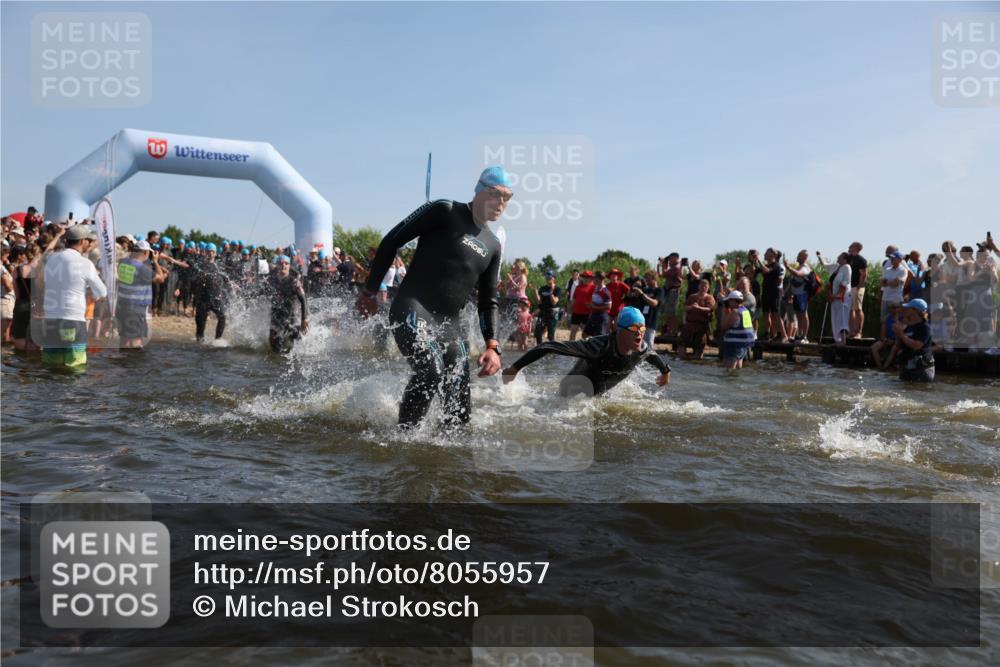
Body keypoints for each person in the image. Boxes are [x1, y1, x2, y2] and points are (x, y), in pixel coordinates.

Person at [355, 166, 506, 428]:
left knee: (459, 405)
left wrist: (493, 346)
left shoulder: (493, 245)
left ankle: (450, 457)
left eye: (508, 197)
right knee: (430, 371)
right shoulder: (445, 210)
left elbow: (488, 301)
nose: (501, 202)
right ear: (480, 191)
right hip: (414, 308)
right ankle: (404, 440)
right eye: (496, 194)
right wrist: (369, 291)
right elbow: (392, 240)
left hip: (450, 326)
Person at [501, 306, 671, 397]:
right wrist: (514, 369)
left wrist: (665, 372)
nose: (640, 334)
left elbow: (653, 357)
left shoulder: (641, 350)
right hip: (570, 397)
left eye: (642, 328)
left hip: (596, 397)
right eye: (634, 328)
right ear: (618, 330)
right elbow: (548, 346)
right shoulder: (597, 347)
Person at [40, 224, 107, 367]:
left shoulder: (51, 260)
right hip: (72, 319)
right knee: (75, 365)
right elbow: (102, 291)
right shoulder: (85, 263)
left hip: (51, 318)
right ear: (82, 241)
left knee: (51, 365)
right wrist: (91, 294)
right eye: (88, 240)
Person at [116, 240, 167, 349]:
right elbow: (160, 279)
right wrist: (156, 261)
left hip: (121, 306)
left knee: (124, 338)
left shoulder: (123, 262)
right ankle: (135, 364)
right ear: (145, 252)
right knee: (136, 340)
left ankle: (121, 364)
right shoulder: (141, 269)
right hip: (135, 309)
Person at [191, 243, 233, 343]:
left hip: (216, 298)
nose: (210, 253)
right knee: (201, 323)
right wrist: (200, 277)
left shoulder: (219, 266)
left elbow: (226, 278)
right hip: (203, 298)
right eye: (208, 252)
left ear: (215, 253)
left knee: (222, 317)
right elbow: (193, 279)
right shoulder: (200, 266)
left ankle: (218, 340)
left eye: (212, 252)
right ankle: (199, 341)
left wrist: (232, 285)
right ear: (205, 252)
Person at [267, 254, 309, 354]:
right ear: (277, 265)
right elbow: (260, 293)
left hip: (290, 317)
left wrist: (304, 319)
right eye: (281, 263)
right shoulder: (271, 281)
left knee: (291, 346)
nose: (284, 266)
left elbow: (303, 300)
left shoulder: (294, 282)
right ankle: (276, 367)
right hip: (275, 317)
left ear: (289, 266)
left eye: (286, 264)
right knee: (274, 347)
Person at [892, 298, 935, 382]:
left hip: (921, 370)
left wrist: (901, 335)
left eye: (908, 308)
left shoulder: (925, 327)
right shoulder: (908, 326)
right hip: (907, 368)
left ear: (915, 311)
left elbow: (917, 346)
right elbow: (898, 345)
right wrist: (898, 335)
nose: (905, 310)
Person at [624, 269, 663, 348]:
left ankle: (650, 359)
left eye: (648, 278)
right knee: (639, 342)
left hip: (652, 322)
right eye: (646, 279)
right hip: (642, 322)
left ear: (654, 279)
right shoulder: (645, 290)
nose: (646, 281)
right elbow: (629, 296)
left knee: (649, 343)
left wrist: (642, 294)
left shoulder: (659, 290)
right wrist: (634, 286)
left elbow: (655, 303)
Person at [718, 290, 756, 369]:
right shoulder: (745, 310)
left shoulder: (735, 312)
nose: (728, 303)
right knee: (738, 369)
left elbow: (723, 326)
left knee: (729, 371)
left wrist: (723, 312)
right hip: (743, 345)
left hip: (734, 345)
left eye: (729, 301)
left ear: (733, 301)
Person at [678, 279, 715, 360]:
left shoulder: (709, 298)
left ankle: (695, 360)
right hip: (690, 324)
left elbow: (710, 309)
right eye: (702, 286)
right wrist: (691, 307)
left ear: (708, 288)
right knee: (682, 344)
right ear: (699, 286)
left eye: (705, 286)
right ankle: (683, 360)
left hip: (701, 325)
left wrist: (699, 308)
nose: (703, 288)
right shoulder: (692, 297)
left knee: (699, 347)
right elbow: (685, 308)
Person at [783, 250, 813, 342]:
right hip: (796, 295)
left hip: (802, 295)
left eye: (799, 255)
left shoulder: (805, 267)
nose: (797, 256)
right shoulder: (799, 266)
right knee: (799, 315)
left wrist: (788, 267)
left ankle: (804, 336)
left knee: (804, 315)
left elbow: (797, 273)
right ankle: (800, 335)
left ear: (804, 257)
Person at [828, 252, 853, 344]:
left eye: (840, 256)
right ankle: (837, 340)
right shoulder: (837, 268)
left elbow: (845, 282)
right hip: (834, 297)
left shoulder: (847, 267)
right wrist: (830, 295)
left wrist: (837, 295)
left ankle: (843, 340)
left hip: (843, 297)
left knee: (842, 318)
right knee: (835, 318)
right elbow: (830, 282)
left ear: (845, 259)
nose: (838, 257)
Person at [880, 251, 907, 333]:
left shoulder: (903, 270)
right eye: (891, 258)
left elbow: (896, 284)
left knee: (896, 319)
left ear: (899, 259)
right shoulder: (887, 270)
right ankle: (883, 337)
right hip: (885, 298)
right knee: (883, 320)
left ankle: (896, 339)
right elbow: (882, 283)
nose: (891, 259)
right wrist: (890, 282)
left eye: (893, 258)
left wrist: (887, 282)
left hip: (896, 299)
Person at [847, 241, 868, 338]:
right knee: (850, 310)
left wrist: (859, 286)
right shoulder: (848, 258)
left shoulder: (861, 260)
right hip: (849, 287)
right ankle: (851, 331)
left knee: (858, 309)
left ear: (856, 247)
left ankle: (858, 332)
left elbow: (864, 275)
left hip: (858, 287)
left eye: (851, 246)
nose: (849, 247)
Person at [534, 270, 561, 344]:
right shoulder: (542, 288)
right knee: (537, 332)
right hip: (543, 312)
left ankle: (552, 352)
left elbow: (554, 302)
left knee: (550, 336)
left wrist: (551, 292)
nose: (548, 278)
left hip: (552, 313)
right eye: (547, 277)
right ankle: (539, 348)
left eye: (550, 277)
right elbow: (539, 302)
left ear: (554, 278)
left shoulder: (557, 289)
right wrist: (535, 291)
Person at [871, 303, 900, 370]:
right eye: (892, 308)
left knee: (894, 349)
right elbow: (882, 334)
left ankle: (885, 367)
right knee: (874, 347)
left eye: (896, 307)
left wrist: (896, 319)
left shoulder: (903, 318)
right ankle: (880, 366)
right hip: (888, 339)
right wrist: (885, 340)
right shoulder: (887, 318)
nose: (894, 309)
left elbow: (902, 333)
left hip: (898, 341)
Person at [659, 253, 682, 335]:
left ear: (676, 258)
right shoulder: (673, 267)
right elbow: (662, 275)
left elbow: (664, 274)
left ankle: (674, 331)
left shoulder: (676, 267)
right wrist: (662, 265)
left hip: (673, 291)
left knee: (672, 312)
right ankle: (670, 330)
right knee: (669, 312)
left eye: (671, 258)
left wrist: (663, 264)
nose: (669, 260)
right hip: (669, 291)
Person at [583, 271, 612, 338]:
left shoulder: (605, 291)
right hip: (593, 315)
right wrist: (590, 306)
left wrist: (594, 307)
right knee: (585, 334)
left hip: (602, 317)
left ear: (600, 279)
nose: (592, 279)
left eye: (594, 277)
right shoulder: (595, 288)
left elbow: (609, 306)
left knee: (599, 337)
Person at [568, 270, 594, 341]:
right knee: (573, 330)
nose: (585, 278)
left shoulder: (593, 287)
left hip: (587, 313)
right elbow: (574, 298)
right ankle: (571, 346)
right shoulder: (578, 287)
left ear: (591, 278)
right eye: (584, 277)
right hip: (576, 312)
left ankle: (587, 347)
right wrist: (570, 308)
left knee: (586, 332)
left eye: (587, 277)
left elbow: (595, 300)